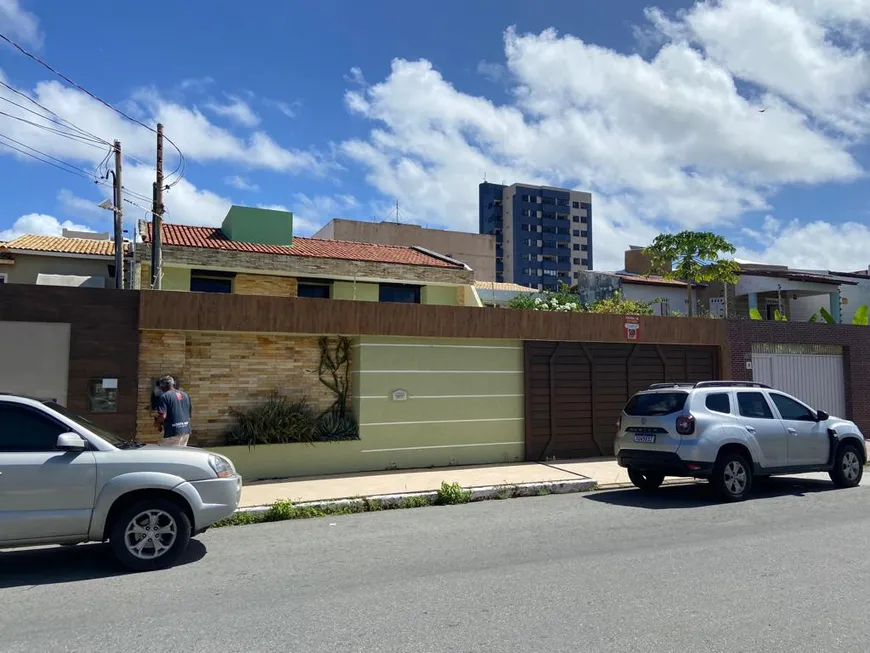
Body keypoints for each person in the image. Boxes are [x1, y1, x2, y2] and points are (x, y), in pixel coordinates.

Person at [154, 375, 192, 446]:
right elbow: (189, 413)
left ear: (163, 386)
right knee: (180, 454)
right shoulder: (185, 395)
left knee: (167, 455)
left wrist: (157, 422)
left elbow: (162, 416)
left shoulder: (164, 397)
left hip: (173, 432)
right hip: (185, 431)